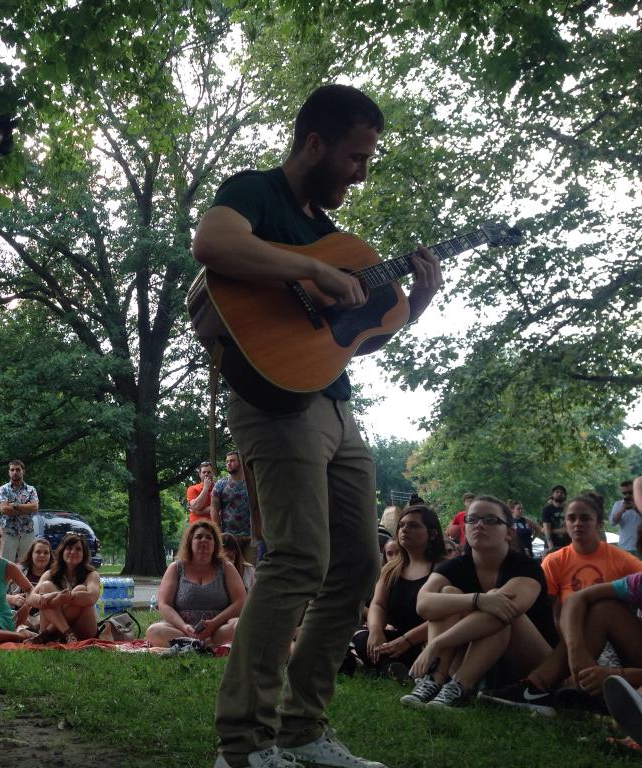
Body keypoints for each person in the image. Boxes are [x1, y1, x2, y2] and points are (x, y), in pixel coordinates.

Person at [193, 83, 442, 768]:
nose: (361, 173)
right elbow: (213, 244)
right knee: (300, 557)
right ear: (314, 143)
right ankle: (243, 746)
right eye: (356, 157)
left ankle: (302, 730)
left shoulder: (340, 239)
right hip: (275, 403)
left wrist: (413, 306)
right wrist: (309, 269)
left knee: (361, 560)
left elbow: (351, 336)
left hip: (334, 402)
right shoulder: (256, 191)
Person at [400, 496, 558, 709]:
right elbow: (424, 603)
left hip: (530, 663)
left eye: (491, 520)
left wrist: (437, 643)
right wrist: (477, 599)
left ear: (509, 532)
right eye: (472, 519)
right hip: (477, 659)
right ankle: (435, 681)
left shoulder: (526, 567)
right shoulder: (455, 566)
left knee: (499, 605)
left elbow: (506, 610)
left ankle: (460, 687)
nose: (480, 525)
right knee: (449, 593)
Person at [479, 570, 642, 715]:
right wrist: (576, 650)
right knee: (604, 609)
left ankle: (619, 703)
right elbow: (576, 598)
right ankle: (536, 687)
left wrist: (618, 676)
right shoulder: (638, 582)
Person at [353, 505, 447, 678]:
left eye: (413, 525)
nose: (404, 529)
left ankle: (387, 668)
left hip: (426, 638)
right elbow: (378, 604)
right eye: (401, 525)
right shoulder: (391, 569)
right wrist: (376, 631)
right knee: (361, 637)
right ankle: (391, 669)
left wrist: (408, 640)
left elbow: (447, 617)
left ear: (432, 534)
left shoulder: (444, 567)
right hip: (396, 637)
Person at [146, 519, 247, 648]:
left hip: (219, 629)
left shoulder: (226, 568)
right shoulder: (176, 568)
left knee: (242, 625)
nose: (203, 540)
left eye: (209, 537)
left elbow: (240, 602)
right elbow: (164, 604)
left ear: (215, 544)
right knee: (153, 631)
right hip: (182, 630)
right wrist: (184, 627)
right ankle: (195, 643)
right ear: (190, 542)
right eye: (198, 537)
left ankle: (197, 644)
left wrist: (214, 623)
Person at [540, 493, 642, 620]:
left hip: (613, 634)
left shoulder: (621, 558)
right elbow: (545, 610)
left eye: (585, 518)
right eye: (571, 518)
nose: (578, 523)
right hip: (570, 631)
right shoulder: (553, 561)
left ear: (600, 524)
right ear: (566, 525)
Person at [27, 533, 101, 643]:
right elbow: (31, 599)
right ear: (62, 551)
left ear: (84, 553)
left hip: (82, 629)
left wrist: (67, 597)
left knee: (80, 589)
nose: (73, 552)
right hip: (58, 631)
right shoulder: (50, 573)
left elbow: (91, 598)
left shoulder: (91, 574)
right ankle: (68, 633)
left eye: (78, 549)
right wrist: (55, 598)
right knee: (45, 586)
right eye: (69, 548)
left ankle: (47, 634)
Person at [211, 451, 256, 564]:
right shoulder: (220, 485)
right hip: (229, 537)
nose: (229, 464)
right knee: (231, 569)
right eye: (227, 461)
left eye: (232, 460)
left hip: (251, 537)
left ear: (240, 462)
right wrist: (219, 533)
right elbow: (214, 509)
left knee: (251, 569)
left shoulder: (252, 482)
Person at [0, 459, 40, 563]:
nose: (15, 472)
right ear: (9, 472)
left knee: (27, 565)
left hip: (27, 532)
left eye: (17, 469)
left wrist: (14, 505)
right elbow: (4, 509)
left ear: (23, 471)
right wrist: (26, 508)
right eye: (12, 470)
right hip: (8, 532)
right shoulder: (3, 489)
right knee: (5, 565)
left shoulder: (31, 489)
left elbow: (35, 508)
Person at [8, 537, 53, 630]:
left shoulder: (56, 575)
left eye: (46, 552)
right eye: (38, 552)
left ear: (50, 556)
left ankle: (32, 631)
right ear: (31, 554)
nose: (42, 555)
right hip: (19, 616)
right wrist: (12, 598)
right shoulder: (17, 570)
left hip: (45, 617)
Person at [611, 480, 640, 557]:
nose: (627, 495)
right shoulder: (618, 504)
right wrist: (621, 511)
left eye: (630, 492)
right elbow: (612, 523)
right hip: (624, 547)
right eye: (624, 493)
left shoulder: (640, 503)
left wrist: (636, 508)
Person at [541, 484, 570, 551]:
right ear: (552, 495)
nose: (559, 494)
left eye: (562, 492)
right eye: (557, 492)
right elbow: (547, 531)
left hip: (567, 545)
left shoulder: (569, 509)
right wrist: (551, 548)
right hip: (551, 545)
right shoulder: (546, 510)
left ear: (565, 495)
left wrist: (549, 530)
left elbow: (567, 530)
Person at [187, 461, 217, 525]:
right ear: (200, 474)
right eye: (204, 472)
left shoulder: (218, 488)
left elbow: (221, 507)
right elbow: (195, 506)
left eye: (209, 472)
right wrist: (206, 488)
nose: (206, 474)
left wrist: (198, 511)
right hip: (197, 527)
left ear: (212, 474)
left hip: (214, 527)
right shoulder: (192, 489)